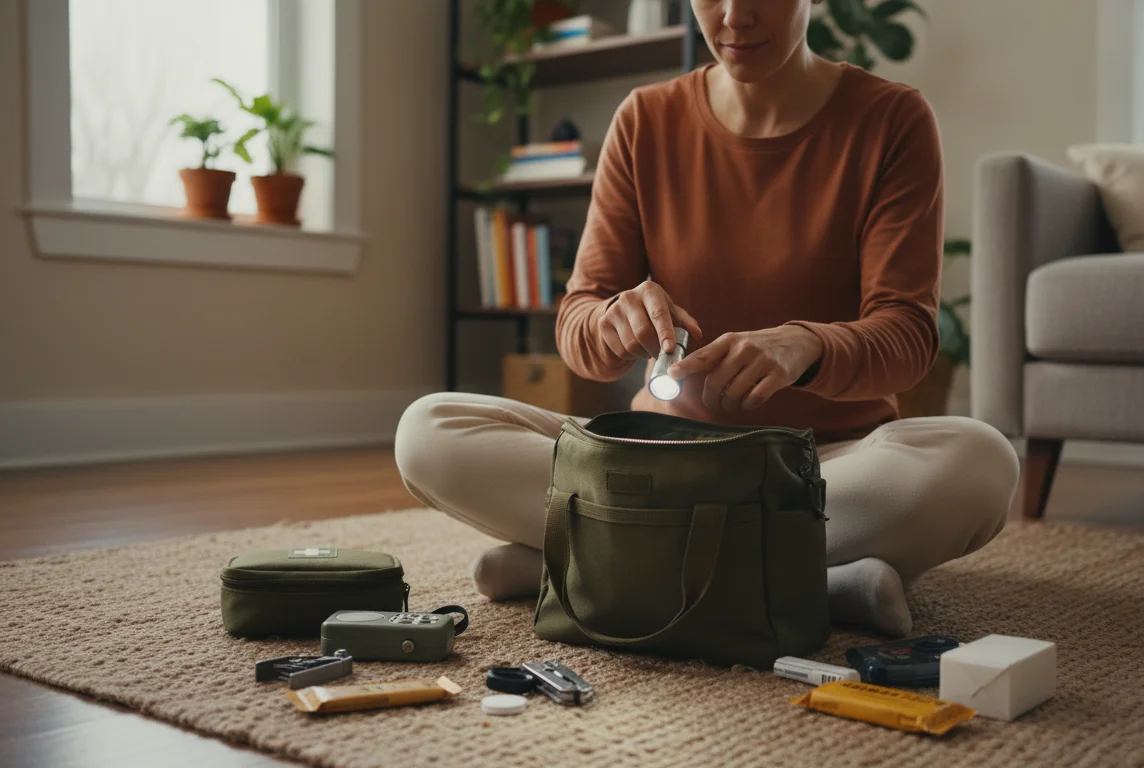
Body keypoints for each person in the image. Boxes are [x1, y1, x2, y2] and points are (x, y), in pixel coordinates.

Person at [396, 0, 1019, 635]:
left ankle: (597, 563)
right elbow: (578, 321)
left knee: (981, 463)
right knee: (428, 430)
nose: (733, 18)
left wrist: (806, 347)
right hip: (655, 460)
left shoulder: (891, 119)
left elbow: (909, 334)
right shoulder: (645, 119)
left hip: (822, 468)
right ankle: (816, 581)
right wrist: (613, 321)